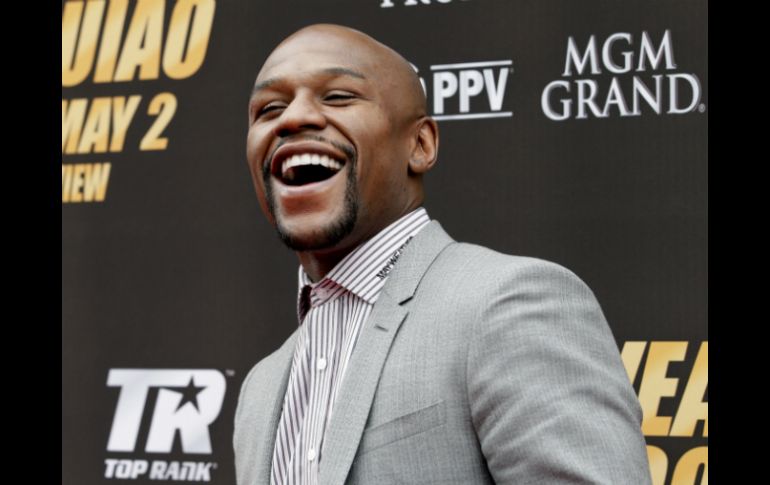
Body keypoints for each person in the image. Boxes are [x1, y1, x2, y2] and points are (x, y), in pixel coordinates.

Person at [234, 23, 652, 485]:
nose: (293, 118)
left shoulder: (509, 305)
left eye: (338, 97)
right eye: (269, 108)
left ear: (420, 145)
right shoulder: (260, 389)